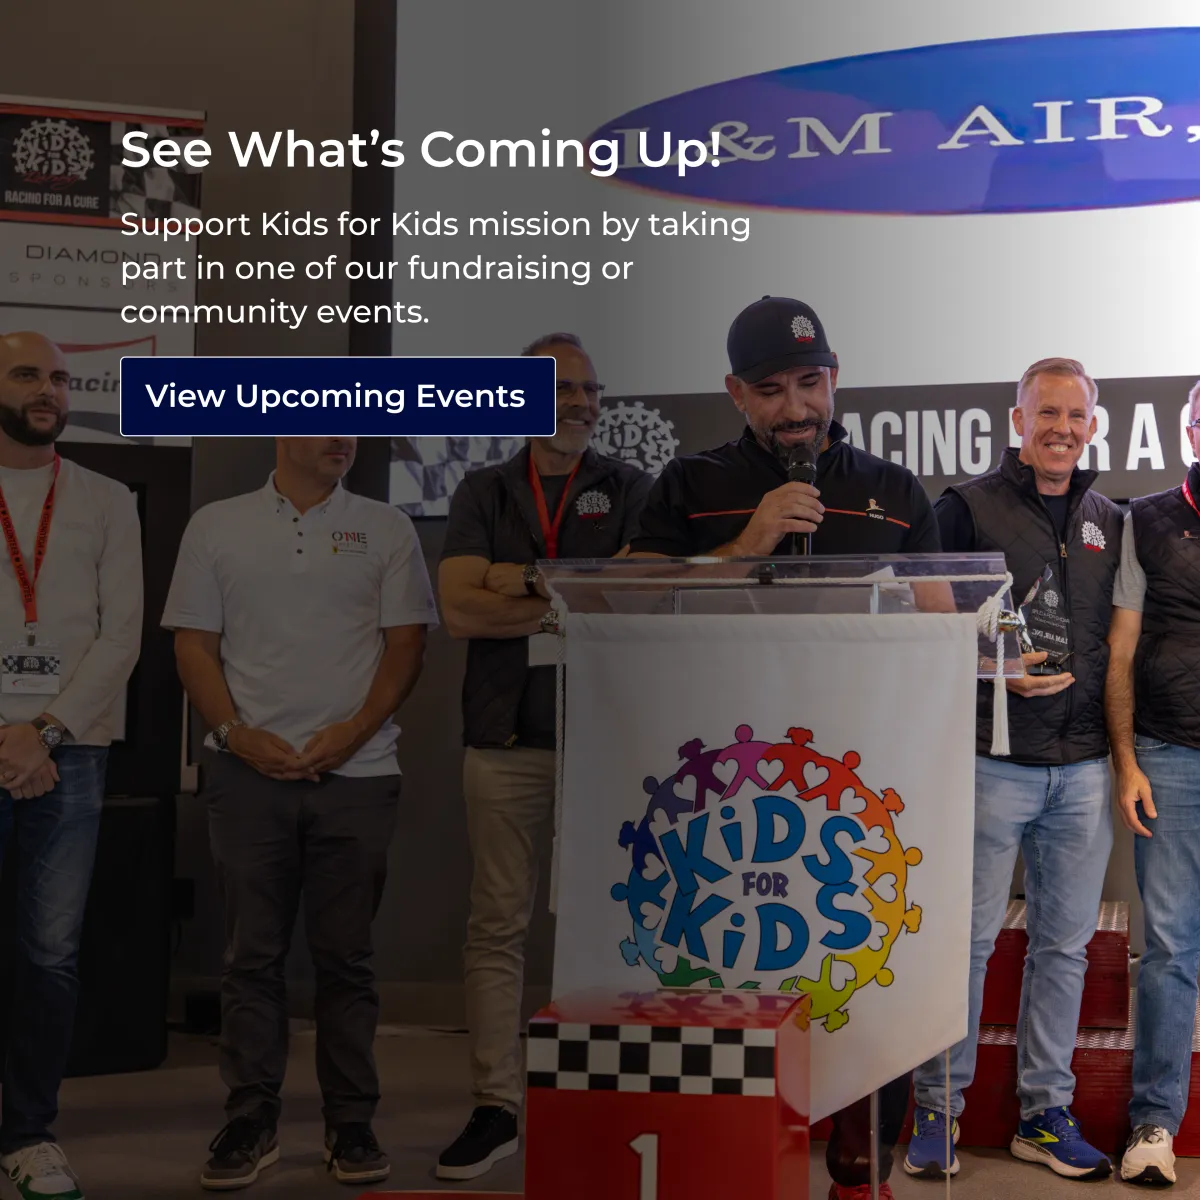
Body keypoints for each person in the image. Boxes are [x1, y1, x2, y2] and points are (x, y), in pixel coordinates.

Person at [629, 296, 941, 1200]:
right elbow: (625, 598)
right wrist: (748, 541)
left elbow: (939, 625)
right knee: (726, 975)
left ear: (834, 378)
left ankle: (858, 1174)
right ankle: (724, 1165)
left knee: (864, 981)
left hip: (859, 791)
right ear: (735, 393)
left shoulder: (896, 491)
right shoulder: (690, 484)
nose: (796, 407)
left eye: (811, 382)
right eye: (771, 390)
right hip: (723, 797)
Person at [162, 437, 437, 1191]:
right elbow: (194, 647)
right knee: (251, 959)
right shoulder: (217, 525)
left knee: (347, 960)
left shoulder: (386, 526)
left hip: (359, 775)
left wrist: (351, 734)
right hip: (246, 776)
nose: (341, 436)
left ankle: (350, 1123)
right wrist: (235, 735)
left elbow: (407, 646)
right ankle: (251, 1120)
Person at [436, 333, 651, 1181]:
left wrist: (515, 578)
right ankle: (496, 1106)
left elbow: (632, 597)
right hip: (505, 743)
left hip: (607, 745)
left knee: (612, 925)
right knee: (496, 927)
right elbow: (460, 610)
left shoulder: (629, 488)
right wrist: (562, 589)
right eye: (563, 388)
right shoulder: (483, 490)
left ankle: (602, 1101)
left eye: (591, 389)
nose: (582, 403)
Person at [906, 358, 1121, 1183]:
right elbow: (920, 623)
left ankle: (1044, 1115)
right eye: (1047, 413)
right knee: (964, 945)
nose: (1062, 429)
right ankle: (937, 1111)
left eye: (1076, 415)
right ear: (1017, 421)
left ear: (1092, 426)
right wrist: (990, 666)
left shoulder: (1108, 518)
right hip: (990, 764)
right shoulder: (964, 509)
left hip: (1083, 769)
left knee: (1063, 950)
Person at [0, 332, 143, 1200]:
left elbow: (120, 635)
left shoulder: (106, 498)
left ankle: (28, 1134)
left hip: (70, 746)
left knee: (49, 953)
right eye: (27, 374)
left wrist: (42, 733)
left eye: (58, 376)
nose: (49, 389)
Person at [1105, 379, 1200, 1188]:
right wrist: (1127, 761)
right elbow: (1122, 648)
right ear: (1191, 431)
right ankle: (1154, 1124)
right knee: (1169, 947)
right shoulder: (1146, 519)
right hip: (1170, 757)